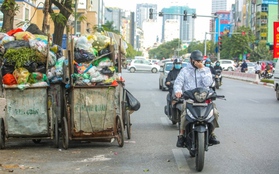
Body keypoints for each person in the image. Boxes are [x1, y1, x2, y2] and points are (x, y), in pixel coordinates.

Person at [173, 50, 220, 147]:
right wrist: (178, 91)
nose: (198, 63)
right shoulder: (185, 70)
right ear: (191, 60)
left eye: (200, 61)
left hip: (204, 99)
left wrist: (202, 69)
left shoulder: (206, 70)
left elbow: (208, 83)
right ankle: (181, 135)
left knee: (215, 113)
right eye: (196, 61)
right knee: (184, 114)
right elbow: (178, 82)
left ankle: (211, 133)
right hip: (190, 99)